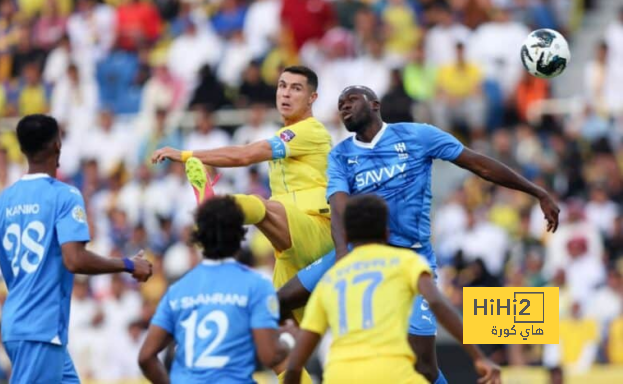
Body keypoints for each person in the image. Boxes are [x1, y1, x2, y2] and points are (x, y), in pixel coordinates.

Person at [279, 85, 559, 383]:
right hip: (356, 252)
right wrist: (344, 259)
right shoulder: (340, 156)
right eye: (340, 103)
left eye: (351, 100)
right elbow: (339, 210)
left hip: (411, 256)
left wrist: (536, 191)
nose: (344, 107)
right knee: (280, 300)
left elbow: (478, 164)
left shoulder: (418, 135)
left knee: (423, 365)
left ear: (374, 105)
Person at [151, 66, 333, 323]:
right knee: (279, 331)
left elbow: (245, 155)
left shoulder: (310, 130)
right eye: (282, 86)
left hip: (317, 231)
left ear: (312, 98)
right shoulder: (286, 136)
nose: (286, 94)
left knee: (261, 205)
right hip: (288, 246)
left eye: (296, 88)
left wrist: (185, 155)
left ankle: (217, 208)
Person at [0, 114, 152, 383]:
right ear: (57, 146)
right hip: (39, 329)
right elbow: (74, 260)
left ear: (22, 149)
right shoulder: (65, 195)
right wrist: (128, 264)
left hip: (27, 328)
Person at [283, 195, 501, 384]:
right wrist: (478, 355)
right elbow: (435, 302)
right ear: (387, 234)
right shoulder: (406, 261)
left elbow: (294, 365)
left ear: (346, 237)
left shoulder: (331, 279)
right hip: (392, 372)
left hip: (339, 375)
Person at [138, 196, 295, 383]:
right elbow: (269, 355)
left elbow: (145, 357)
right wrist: (288, 339)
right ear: (240, 235)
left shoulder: (178, 289)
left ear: (199, 238)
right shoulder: (257, 285)